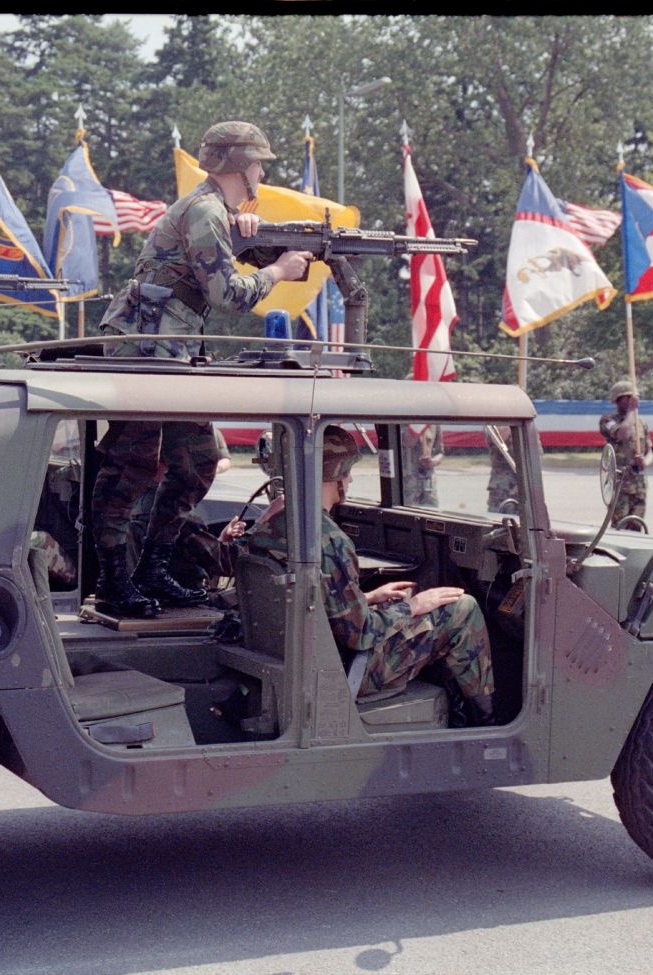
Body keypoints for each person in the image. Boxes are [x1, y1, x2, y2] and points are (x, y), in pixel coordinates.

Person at [88, 121, 312, 618]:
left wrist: (247, 234)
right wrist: (277, 271)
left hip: (169, 347)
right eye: (257, 163)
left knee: (196, 463)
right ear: (239, 165)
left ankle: (150, 570)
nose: (260, 171)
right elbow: (227, 294)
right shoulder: (207, 210)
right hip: (146, 347)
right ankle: (112, 582)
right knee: (133, 465)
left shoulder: (216, 211)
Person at [239, 426, 496, 726]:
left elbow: (312, 601)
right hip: (345, 669)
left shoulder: (273, 527)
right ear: (335, 475)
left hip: (294, 657)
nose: (349, 479)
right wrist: (413, 606)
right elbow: (359, 634)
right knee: (462, 609)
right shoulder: (329, 540)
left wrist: (370, 599)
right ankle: (485, 723)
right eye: (347, 472)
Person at [598, 380, 653, 528]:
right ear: (617, 400)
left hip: (639, 484)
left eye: (634, 398)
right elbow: (622, 434)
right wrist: (631, 411)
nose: (633, 401)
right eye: (628, 398)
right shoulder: (608, 420)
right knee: (619, 526)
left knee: (636, 525)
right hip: (620, 485)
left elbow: (650, 451)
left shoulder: (641, 423)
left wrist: (645, 461)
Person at [401, 424, 444, 507]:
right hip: (407, 484)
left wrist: (432, 461)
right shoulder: (401, 420)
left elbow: (440, 452)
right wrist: (419, 426)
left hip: (428, 484)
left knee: (432, 515)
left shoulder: (434, 424)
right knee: (408, 515)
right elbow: (408, 442)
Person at [485, 426, 519, 515]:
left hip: (518, 489)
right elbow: (495, 455)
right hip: (499, 489)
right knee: (495, 521)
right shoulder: (493, 428)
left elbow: (534, 458)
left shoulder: (524, 427)